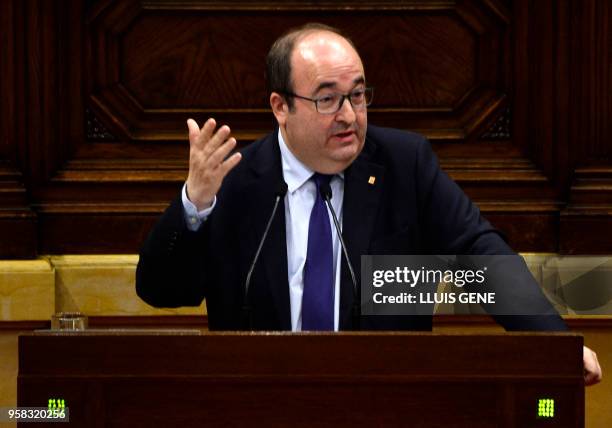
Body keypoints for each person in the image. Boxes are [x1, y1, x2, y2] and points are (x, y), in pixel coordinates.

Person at [136, 23, 601, 385]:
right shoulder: (235, 181)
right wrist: (195, 204)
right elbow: (162, 291)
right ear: (281, 106)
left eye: (357, 95)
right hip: (259, 402)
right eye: (327, 100)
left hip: (386, 402)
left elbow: (478, 255)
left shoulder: (404, 165)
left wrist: (554, 345)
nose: (349, 115)